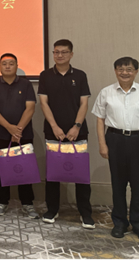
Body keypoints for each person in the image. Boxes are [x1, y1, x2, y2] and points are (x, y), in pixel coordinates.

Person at [92, 57, 139, 243]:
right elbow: (100, 120)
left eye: (129, 69)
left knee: (138, 184)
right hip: (115, 139)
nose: (125, 72)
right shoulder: (106, 92)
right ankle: (120, 223)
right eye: (121, 69)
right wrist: (102, 144)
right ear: (115, 71)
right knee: (118, 183)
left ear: (136, 71)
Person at [38, 39, 94, 229]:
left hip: (78, 132)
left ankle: (85, 213)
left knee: (81, 174)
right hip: (53, 132)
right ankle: (52, 210)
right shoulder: (45, 75)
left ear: (71, 54)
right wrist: (54, 126)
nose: (59, 55)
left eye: (63, 52)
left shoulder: (80, 75)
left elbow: (84, 103)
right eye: (56, 52)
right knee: (53, 173)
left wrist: (77, 126)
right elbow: (43, 103)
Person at [0, 53, 39, 219]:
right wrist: (10, 128)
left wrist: (18, 130)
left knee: (25, 168)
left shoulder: (26, 84)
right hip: (0, 134)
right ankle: (2, 202)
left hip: (23, 134)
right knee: (2, 169)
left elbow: (30, 108)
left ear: (17, 66)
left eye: (11, 63)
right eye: (4, 64)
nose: (7, 66)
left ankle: (27, 203)